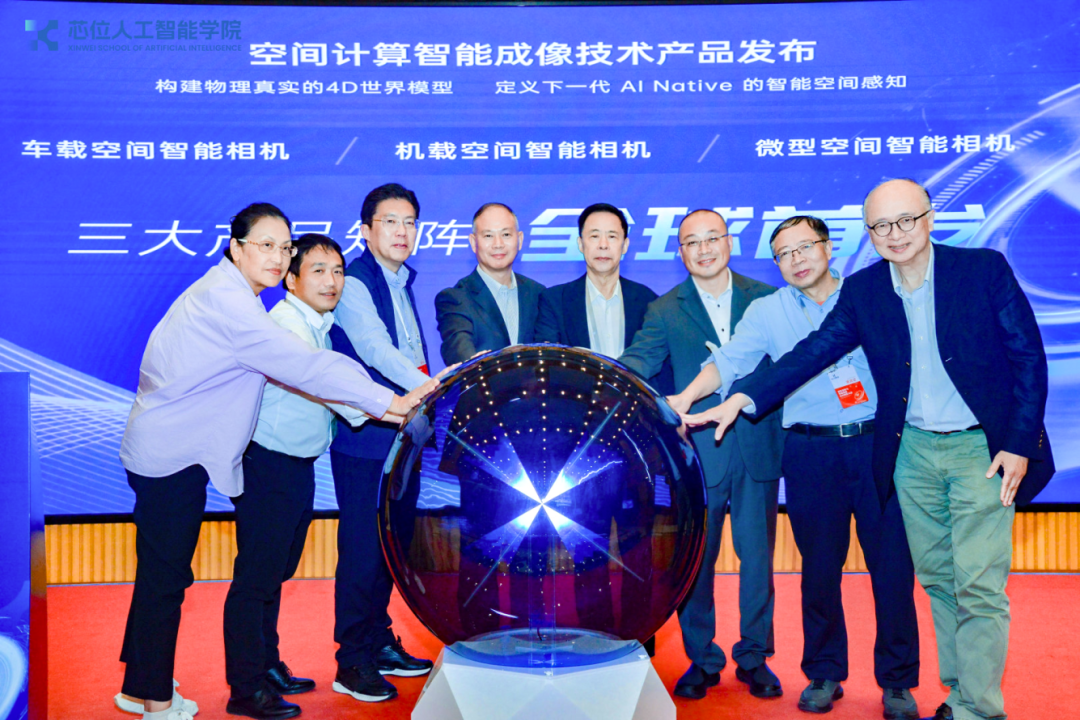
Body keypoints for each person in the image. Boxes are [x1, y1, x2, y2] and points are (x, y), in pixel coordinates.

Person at [688, 179, 1055, 720]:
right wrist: (742, 398)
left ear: (929, 218)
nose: (895, 233)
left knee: (974, 584)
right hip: (909, 454)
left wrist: (1019, 442)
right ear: (869, 233)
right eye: (882, 225)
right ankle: (958, 693)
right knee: (938, 579)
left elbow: (1027, 357)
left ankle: (976, 707)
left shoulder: (981, 270)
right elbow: (811, 353)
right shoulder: (867, 291)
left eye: (906, 220)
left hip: (978, 450)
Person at [118, 203, 437, 720]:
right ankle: (155, 698)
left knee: (166, 572)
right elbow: (307, 367)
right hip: (170, 454)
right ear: (236, 248)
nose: (276, 256)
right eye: (265, 245)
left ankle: (142, 680)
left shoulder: (233, 295)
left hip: (179, 447)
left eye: (284, 247)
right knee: (168, 576)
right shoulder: (233, 306)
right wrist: (391, 402)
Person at [670, 216, 920, 719]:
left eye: (804, 247)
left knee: (892, 568)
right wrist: (686, 397)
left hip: (876, 444)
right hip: (809, 451)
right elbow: (730, 361)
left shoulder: (868, 294)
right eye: (783, 254)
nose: (796, 260)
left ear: (828, 248)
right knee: (819, 571)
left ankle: (897, 682)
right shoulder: (768, 311)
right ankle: (824, 673)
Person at [619, 209, 784, 702]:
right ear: (681, 252)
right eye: (692, 242)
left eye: (712, 238)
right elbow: (639, 362)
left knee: (759, 561)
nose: (704, 249)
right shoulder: (665, 309)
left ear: (729, 242)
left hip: (757, 443)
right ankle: (702, 657)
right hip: (697, 455)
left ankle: (754, 656)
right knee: (697, 563)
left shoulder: (767, 298)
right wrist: (606, 380)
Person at [222, 234, 369, 718]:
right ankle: (246, 689)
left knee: (274, 573)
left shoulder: (317, 324)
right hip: (268, 464)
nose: (332, 281)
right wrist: (392, 407)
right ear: (291, 279)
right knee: (255, 579)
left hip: (295, 465)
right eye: (318, 271)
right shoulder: (286, 325)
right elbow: (326, 384)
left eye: (338, 271)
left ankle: (267, 666)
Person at [328, 183, 437, 704]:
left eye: (410, 222)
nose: (402, 231)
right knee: (362, 552)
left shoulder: (401, 279)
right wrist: (432, 389)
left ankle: (377, 641)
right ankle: (352, 660)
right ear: (366, 230)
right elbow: (377, 351)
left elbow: (410, 351)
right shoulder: (354, 282)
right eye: (390, 221)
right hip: (365, 441)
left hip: (402, 438)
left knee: (390, 550)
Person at [435, 202, 546, 365]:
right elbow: (459, 352)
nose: (498, 244)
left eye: (506, 234)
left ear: (520, 239)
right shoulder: (455, 299)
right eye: (488, 236)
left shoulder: (539, 294)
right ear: (473, 242)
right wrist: (475, 365)